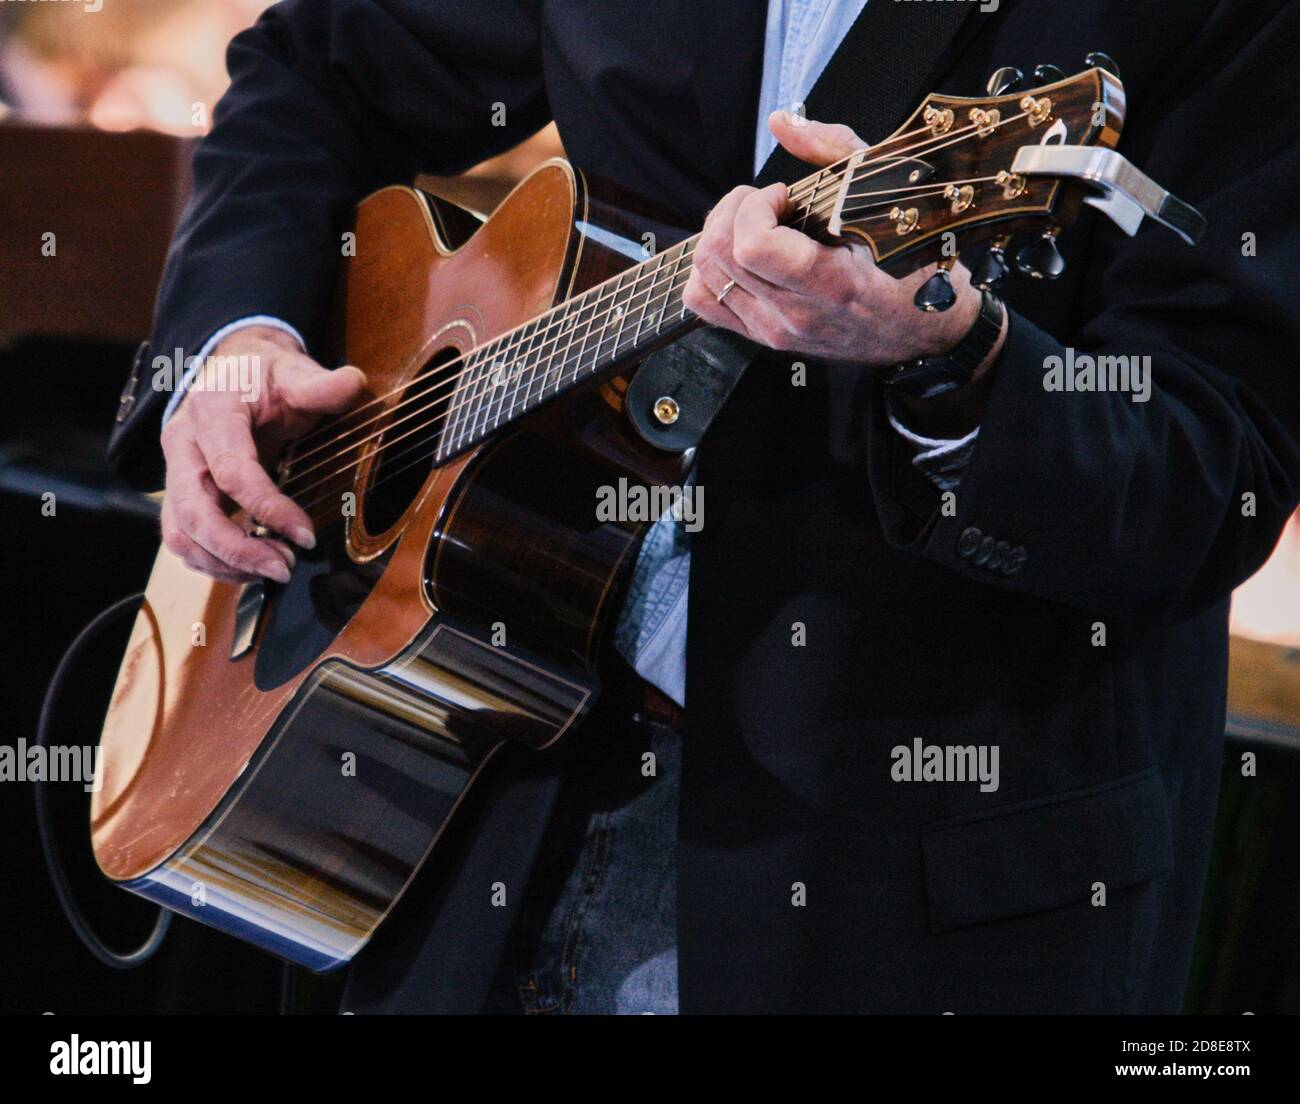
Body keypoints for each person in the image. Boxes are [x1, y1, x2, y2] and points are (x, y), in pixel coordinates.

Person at [109, 0, 1300, 1014]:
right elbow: (315, 63)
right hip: (475, 796)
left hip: (890, 889)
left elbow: (1216, 468)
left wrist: (956, 358)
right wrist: (233, 336)